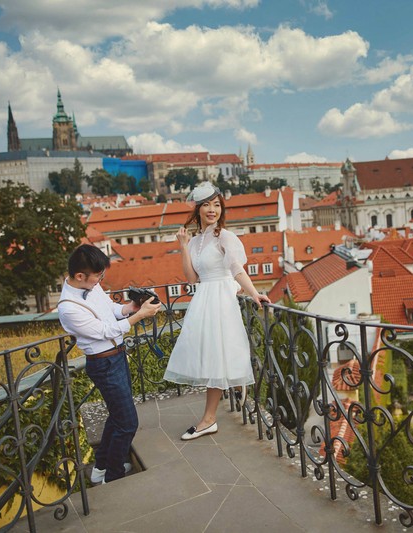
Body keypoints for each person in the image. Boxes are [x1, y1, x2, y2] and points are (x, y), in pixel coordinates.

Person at [163, 181, 271, 440]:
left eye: (217, 205)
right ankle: (226, 397)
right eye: (207, 205)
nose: (213, 210)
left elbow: (236, 269)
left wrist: (254, 294)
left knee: (217, 355)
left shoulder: (224, 236)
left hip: (221, 299)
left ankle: (209, 418)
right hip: (204, 299)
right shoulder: (195, 241)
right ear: (198, 209)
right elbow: (191, 278)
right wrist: (182, 246)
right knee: (210, 356)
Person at [58, 244, 161, 484]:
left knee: (117, 416)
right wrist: (139, 316)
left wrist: (130, 308)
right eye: (98, 276)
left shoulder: (90, 286)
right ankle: (113, 477)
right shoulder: (68, 309)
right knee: (127, 423)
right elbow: (105, 331)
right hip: (103, 364)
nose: (100, 280)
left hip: (116, 356)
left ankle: (101, 467)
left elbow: (110, 310)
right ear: (80, 275)